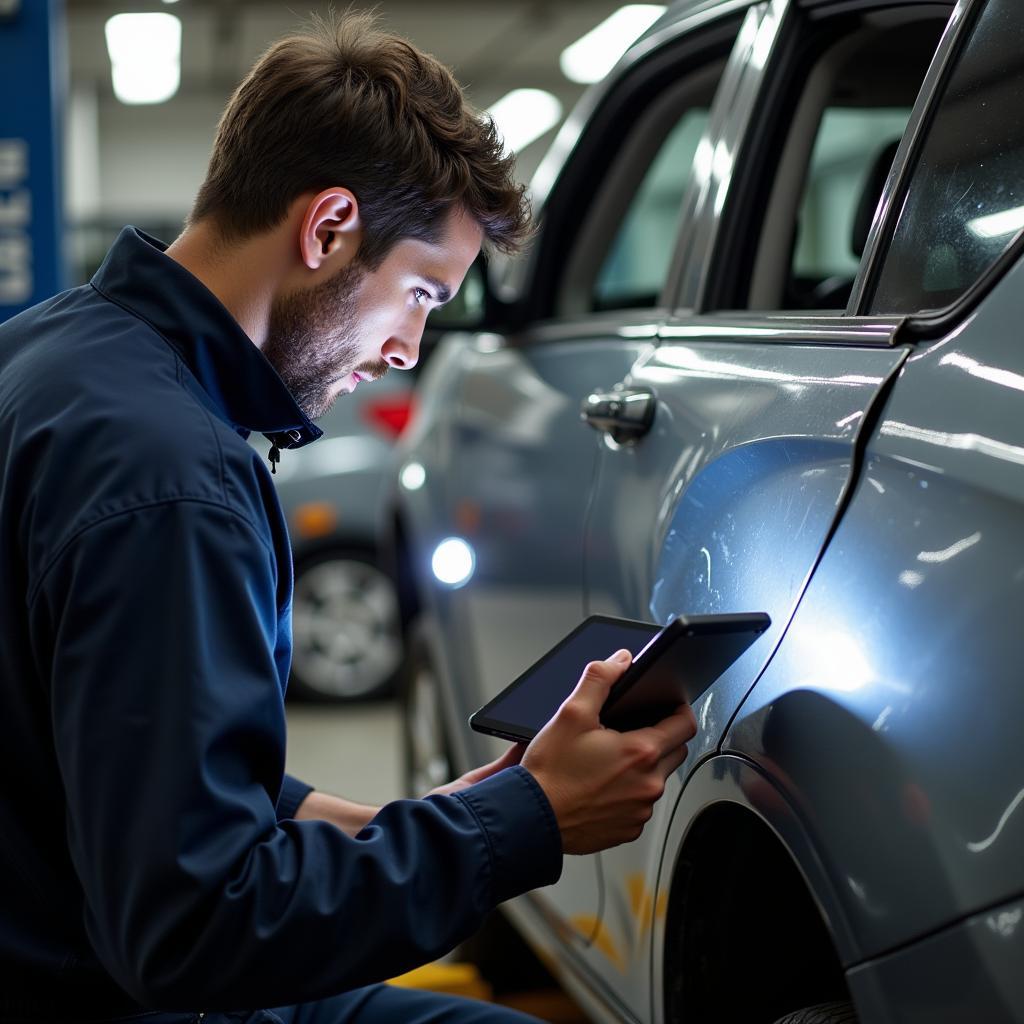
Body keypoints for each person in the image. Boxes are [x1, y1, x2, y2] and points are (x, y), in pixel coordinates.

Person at [0, 13, 697, 1024]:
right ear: (327, 229)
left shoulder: (51, 352)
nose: (412, 346)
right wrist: (525, 819)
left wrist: (417, 820)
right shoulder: (172, 479)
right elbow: (193, 929)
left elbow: (120, 764)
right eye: (420, 292)